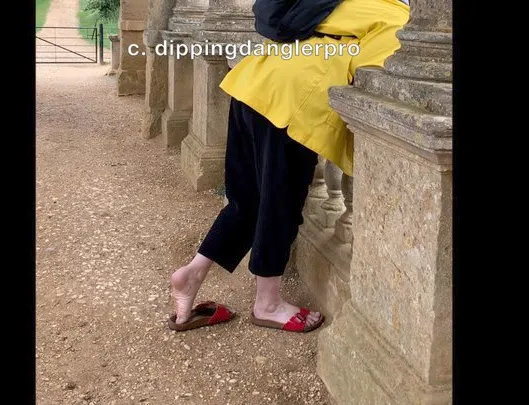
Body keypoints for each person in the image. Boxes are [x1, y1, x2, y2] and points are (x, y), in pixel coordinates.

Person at [168, 0, 410, 333]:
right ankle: (267, 304)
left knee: (247, 201)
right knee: (279, 203)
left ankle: (192, 273)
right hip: (293, 102)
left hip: (253, 84)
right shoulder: (394, 15)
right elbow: (374, 77)